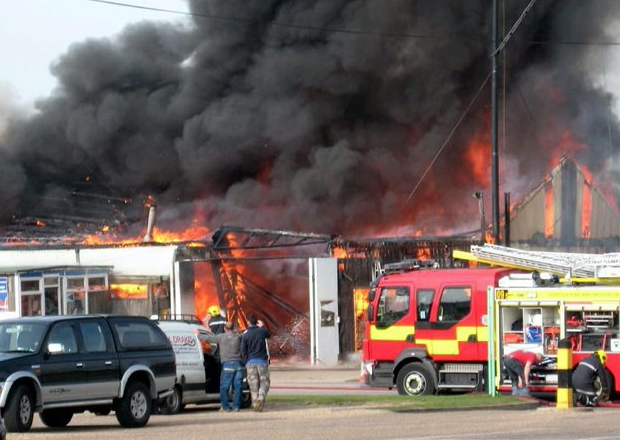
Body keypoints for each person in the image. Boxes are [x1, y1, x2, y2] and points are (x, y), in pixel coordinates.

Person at [204, 321, 244, 411]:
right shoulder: (238, 336)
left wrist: (198, 335)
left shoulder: (221, 337)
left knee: (224, 387)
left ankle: (225, 407)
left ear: (225, 328)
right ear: (233, 328)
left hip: (227, 364)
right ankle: (236, 406)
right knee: (238, 386)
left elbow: (209, 338)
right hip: (238, 364)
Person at [241, 314, 271, 411]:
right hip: (262, 361)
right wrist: (262, 326)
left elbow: (243, 351)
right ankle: (261, 398)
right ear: (257, 322)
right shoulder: (261, 332)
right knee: (264, 382)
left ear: (249, 322)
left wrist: (246, 361)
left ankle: (255, 404)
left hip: (250, 362)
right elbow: (269, 334)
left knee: (253, 384)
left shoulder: (245, 335)